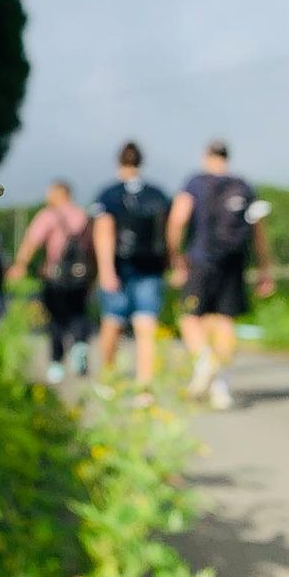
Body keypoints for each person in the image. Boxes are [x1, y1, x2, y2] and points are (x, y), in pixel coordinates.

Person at [166, 139, 274, 410]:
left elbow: (177, 221)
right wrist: (264, 269)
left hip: (201, 260)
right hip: (234, 263)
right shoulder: (244, 186)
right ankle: (221, 387)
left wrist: (176, 259)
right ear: (227, 157)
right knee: (225, 321)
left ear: (206, 156)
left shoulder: (195, 183)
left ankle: (204, 361)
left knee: (189, 317)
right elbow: (259, 231)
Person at [90, 141, 170, 401]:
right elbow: (168, 234)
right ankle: (144, 387)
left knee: (112, 323)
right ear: (141, 162)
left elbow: (104, 232)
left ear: (119, 162)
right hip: (151, 269)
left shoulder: (109, 194)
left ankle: (108, 378)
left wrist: (105, 271)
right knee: (146, 329)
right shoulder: (157, 194)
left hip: (120, 269)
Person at [7, 180, 93, 384]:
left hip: (54, 277)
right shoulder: (83, 216)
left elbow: (32, 241)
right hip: (80, 277)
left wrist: (20, 265)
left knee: (56, 320)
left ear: (59, 193)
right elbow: (92, 249)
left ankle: (56, 363)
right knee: (79, 315)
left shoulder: (48, 215)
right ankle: (80, 344)